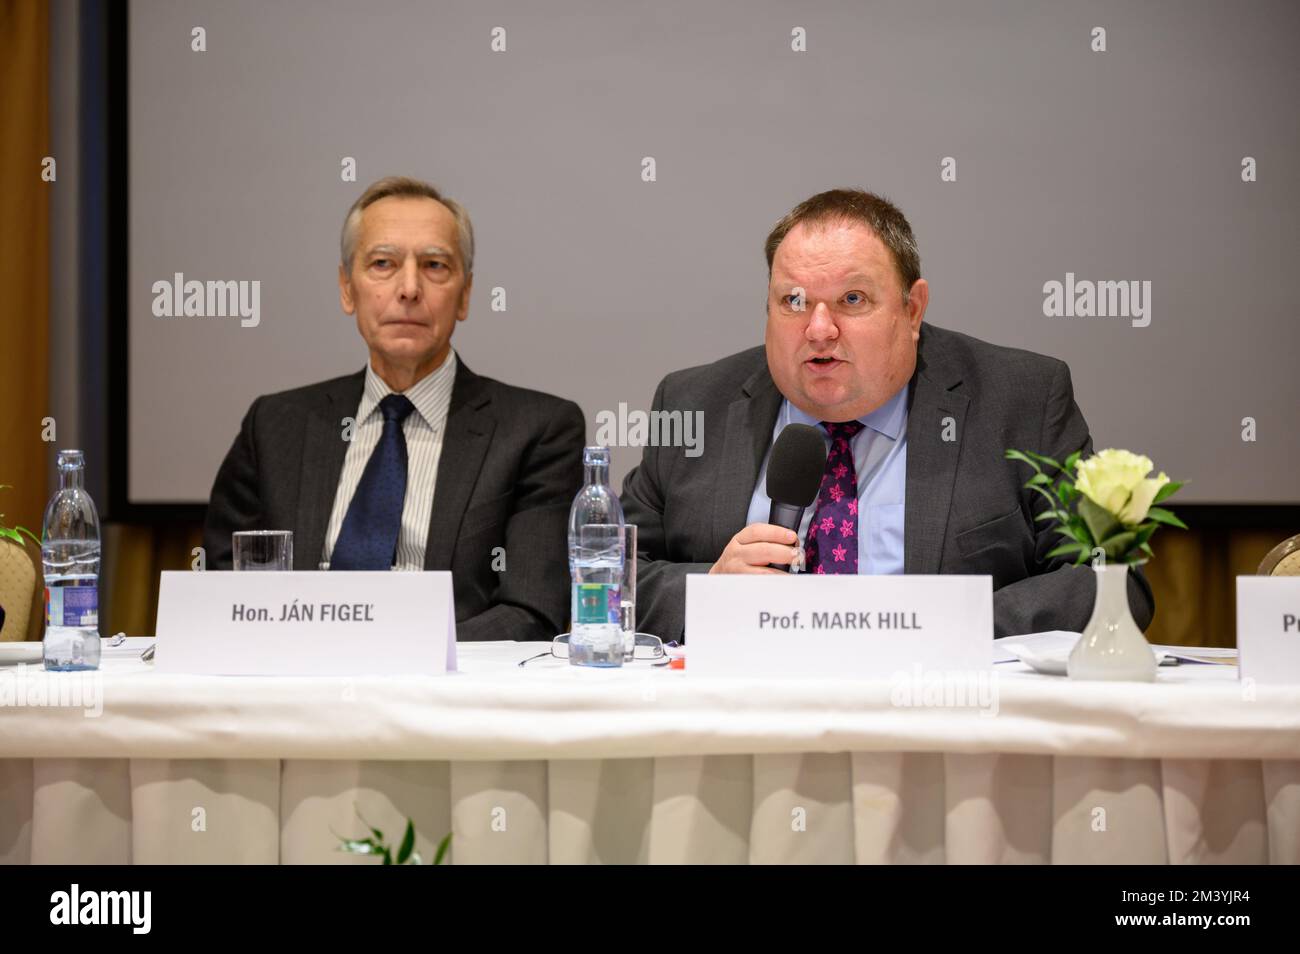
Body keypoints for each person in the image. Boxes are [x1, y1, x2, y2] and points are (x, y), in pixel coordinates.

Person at [621, 188, 1155, 640]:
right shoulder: (694, 405)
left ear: (913, 309)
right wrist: (712, 595)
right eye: (793, 301)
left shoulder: (1020, 400)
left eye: (852, 299)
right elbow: (610, 577)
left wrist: (936, 628)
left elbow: (1110, 578)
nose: (819, 329)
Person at [204, 176, 584, 641]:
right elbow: (223, 594)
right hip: (294, 692)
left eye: (435, 266)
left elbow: (532, 612)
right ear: (347, 289)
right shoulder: (276, 426)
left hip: (443, 698)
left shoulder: (537, 430)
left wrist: (393, 653)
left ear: (464, 294)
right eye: (383, 264)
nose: (408, 288)